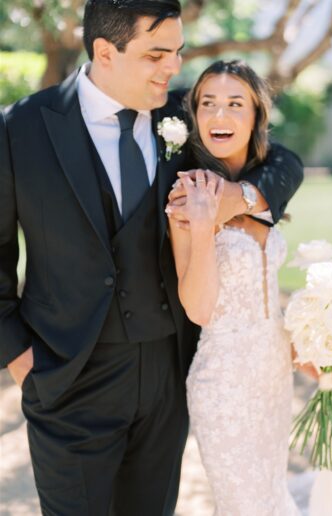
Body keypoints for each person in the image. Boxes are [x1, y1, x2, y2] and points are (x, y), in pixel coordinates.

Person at [0, 2, 303, 515]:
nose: (173, 67)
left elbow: (284, 161)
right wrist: (20, 359)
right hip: (67, 377)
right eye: (157, 54)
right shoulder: (21, 128)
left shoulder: (183, 113)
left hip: (167, 373)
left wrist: (241, 199)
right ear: (104, 51)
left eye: (178, 52)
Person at [168, 59, 305, 515]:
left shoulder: (263, 186)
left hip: (274, 373)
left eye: (234, 104)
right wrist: (204, 226)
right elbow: (200, 309)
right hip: (224, 384)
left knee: (271, 497)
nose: (219, 116)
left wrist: (311, 345)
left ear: (255, 117)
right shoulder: (190, 193)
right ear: (194, 116)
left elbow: (263, 295)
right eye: (208, 104)